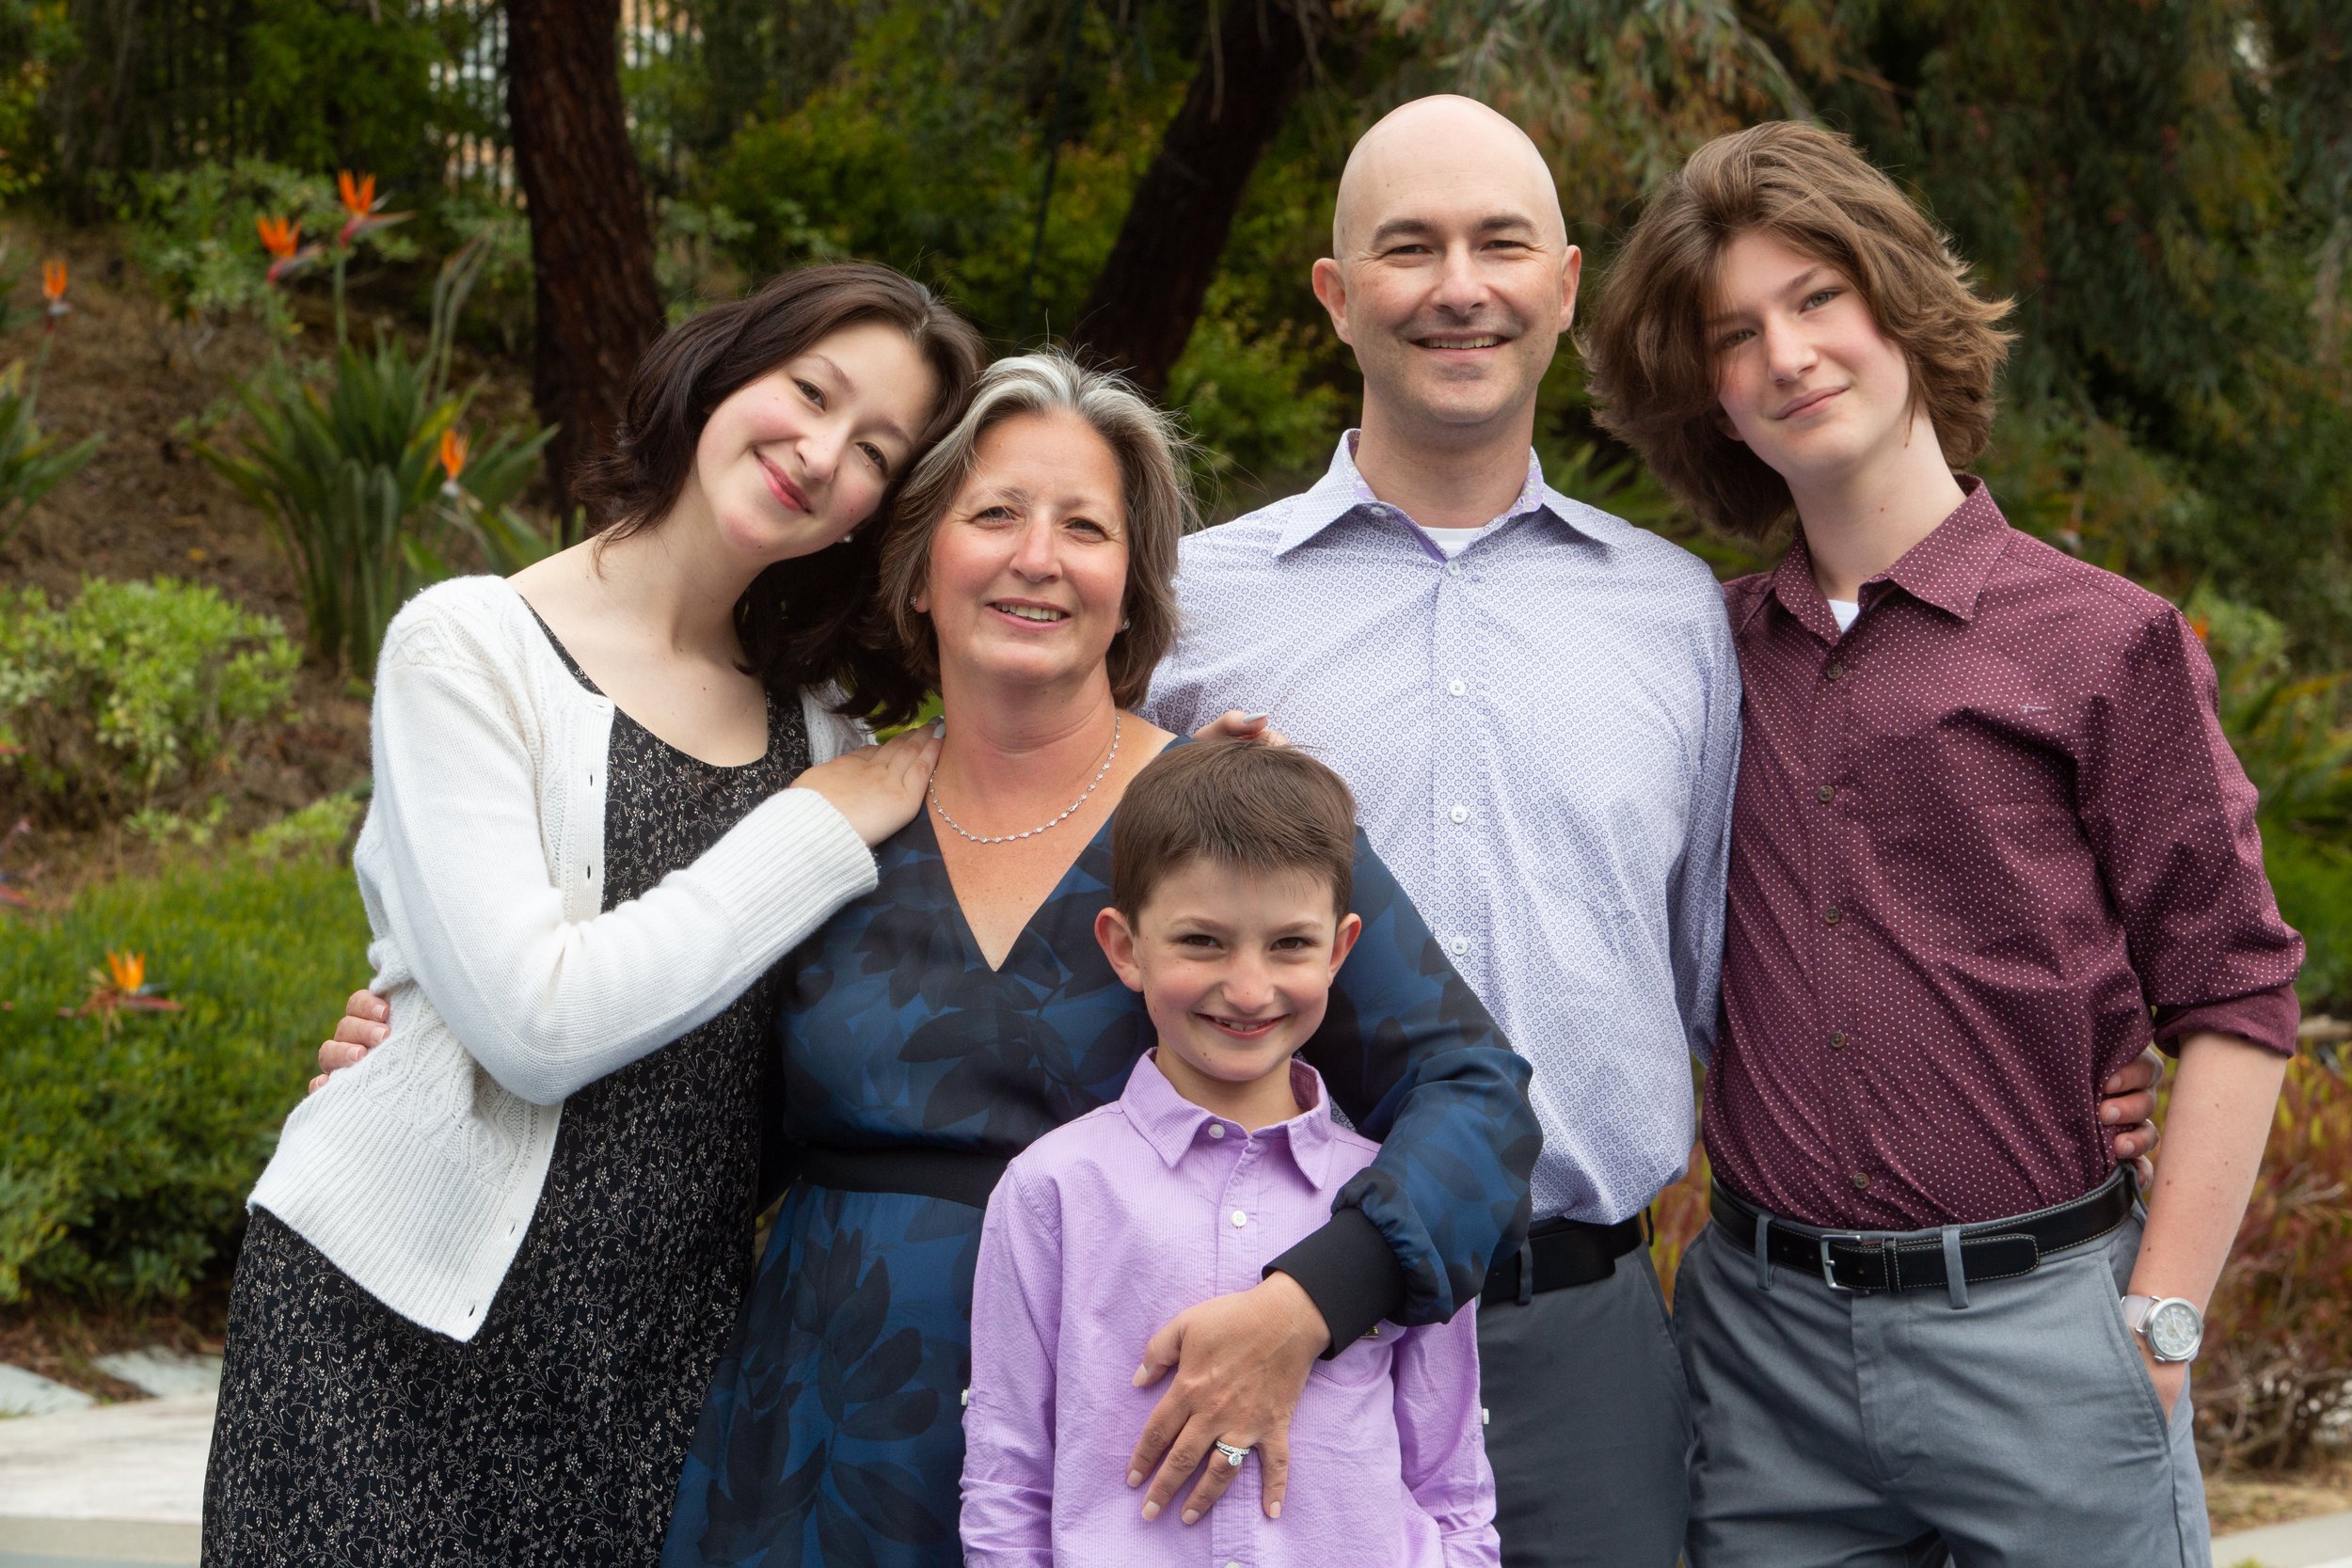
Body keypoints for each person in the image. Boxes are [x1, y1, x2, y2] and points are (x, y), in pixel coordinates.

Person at [1142, 93, 2170, 1568]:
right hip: (1258, 1318)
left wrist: (2063, 1062)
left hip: (1587, 1349)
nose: (1458, 286)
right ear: (1335, 293)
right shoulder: (1189, 609)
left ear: (1564, 287)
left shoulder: (1677, 617)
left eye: (1502, 243)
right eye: (1409, 247)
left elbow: (1747, 963)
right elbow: (1072, 927)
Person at [647, 351, 1533, 1567]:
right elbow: (676, 1111)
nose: (1037, 556)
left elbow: (1478, 1097)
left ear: (1132, 590)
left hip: (1131, 1458)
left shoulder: (1220, 819)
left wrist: (1312, 1299)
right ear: (918, 565)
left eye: (1084, 526)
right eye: (994, 514)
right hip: (817, 1449)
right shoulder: (831, 811)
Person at [1582, 119, 2305, 1567]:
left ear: (1900, 304)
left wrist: (2160, 1323)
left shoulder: (2104, 643)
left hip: (2048, 1343)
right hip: (1763, 1358)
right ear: (1715, 400)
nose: (1788, 354)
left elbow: (2236, 993)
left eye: (1817, 297)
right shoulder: (1697, 652)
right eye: (1737, 334)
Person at [202, 263, 985, 1566]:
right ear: (723, 371)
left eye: (874, 451)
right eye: (810, 391)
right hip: (382, 1344)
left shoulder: (827, 736)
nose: (820, 453)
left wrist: (1206, 780)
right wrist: (811, 829)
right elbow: (535, 1025)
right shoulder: (469, 648)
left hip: (651, 1365)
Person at [961, 737, 1501, 1568]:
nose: (1249, 989)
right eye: (1203, 941)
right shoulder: (1051, 1190)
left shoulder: (1395, 1204)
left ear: (1341, 948)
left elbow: (1452, 1487)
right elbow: (1007, 1485)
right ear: (1125, 946)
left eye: (1289, 944)